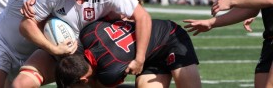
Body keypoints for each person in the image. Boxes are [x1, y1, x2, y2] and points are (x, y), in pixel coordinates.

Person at [12, 0, 152, 87]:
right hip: (59, 51)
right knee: (21, 84)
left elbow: (142, 17)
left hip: (96, 56)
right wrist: (52, 49)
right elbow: (26, 25)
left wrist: (140, 58)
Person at [55, 18, 201, 88]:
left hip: (170, 37)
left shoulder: (109, 72)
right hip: (148, 56)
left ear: (84, 79)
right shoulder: (88, 33)